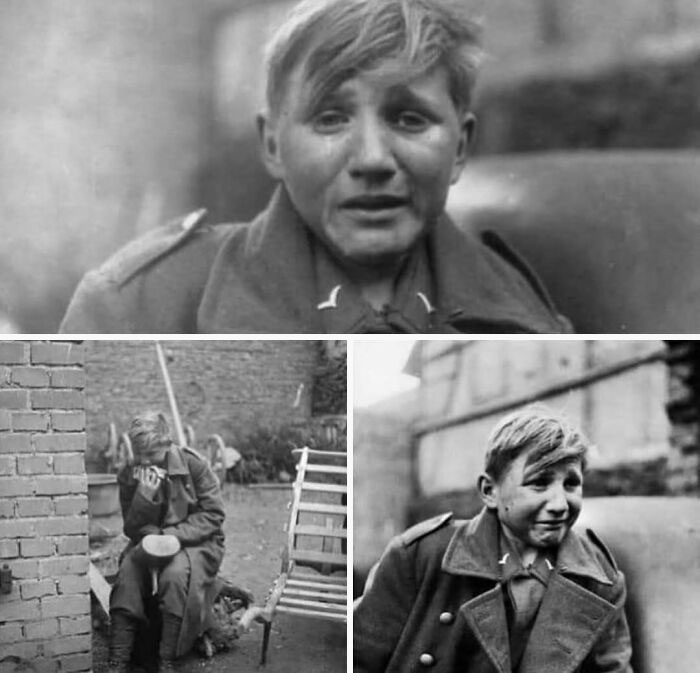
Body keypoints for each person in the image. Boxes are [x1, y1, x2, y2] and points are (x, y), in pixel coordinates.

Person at [60, 0, 569, 334]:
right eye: (330, 118)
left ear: (460, 148)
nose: (372, 159)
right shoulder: (137, 308)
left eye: (409, 119)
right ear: (273, 146)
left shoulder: (523, 315)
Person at [354, 406, 633, 672]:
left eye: (571, 484)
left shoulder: (599, 579)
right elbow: (358, 659)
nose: (560, 503)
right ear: (490, 491)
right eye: (539, 483)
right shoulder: (421, 556)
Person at [108, 412, 226, 673]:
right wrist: (144, 498)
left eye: (154, 455)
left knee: (174, 576)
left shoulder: (193, 465)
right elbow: (131, 528)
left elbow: (213, 515)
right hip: (150, 540)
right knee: (128, 571)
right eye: (142, 456)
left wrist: (173, 535)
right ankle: (118, 660)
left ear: (168, 444)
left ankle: (167, 658)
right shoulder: (130, 472)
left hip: (196, 541)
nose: (147, 463)